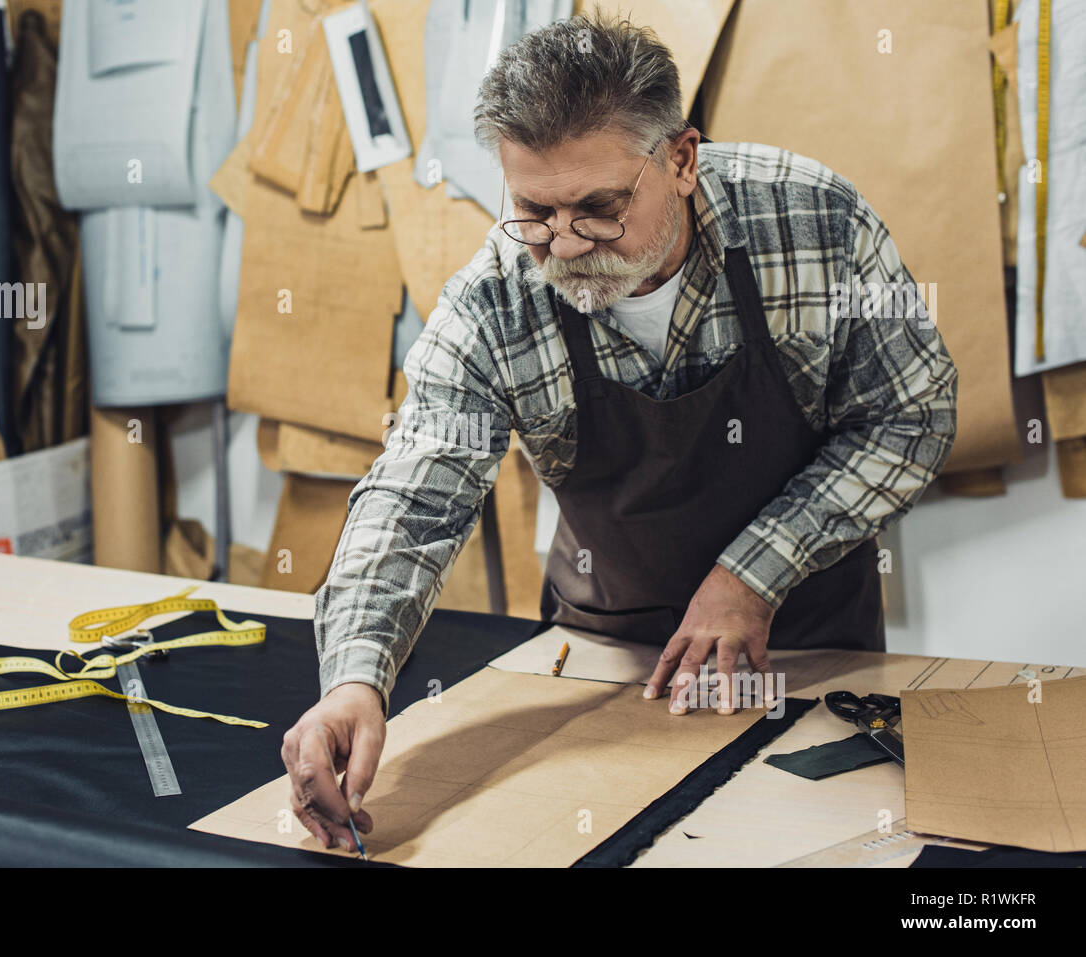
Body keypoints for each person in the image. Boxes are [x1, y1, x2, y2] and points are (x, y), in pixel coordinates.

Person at [281, 10, 957, 851]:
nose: (563, 244)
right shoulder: (497, 298)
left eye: (598, 208)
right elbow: (414, 496)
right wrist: (354, 677)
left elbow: (910, 415)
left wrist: (753, 572)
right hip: (606, 654)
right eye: (533, 209)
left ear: (679, 159)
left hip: (807, 641)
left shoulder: (812, 222)